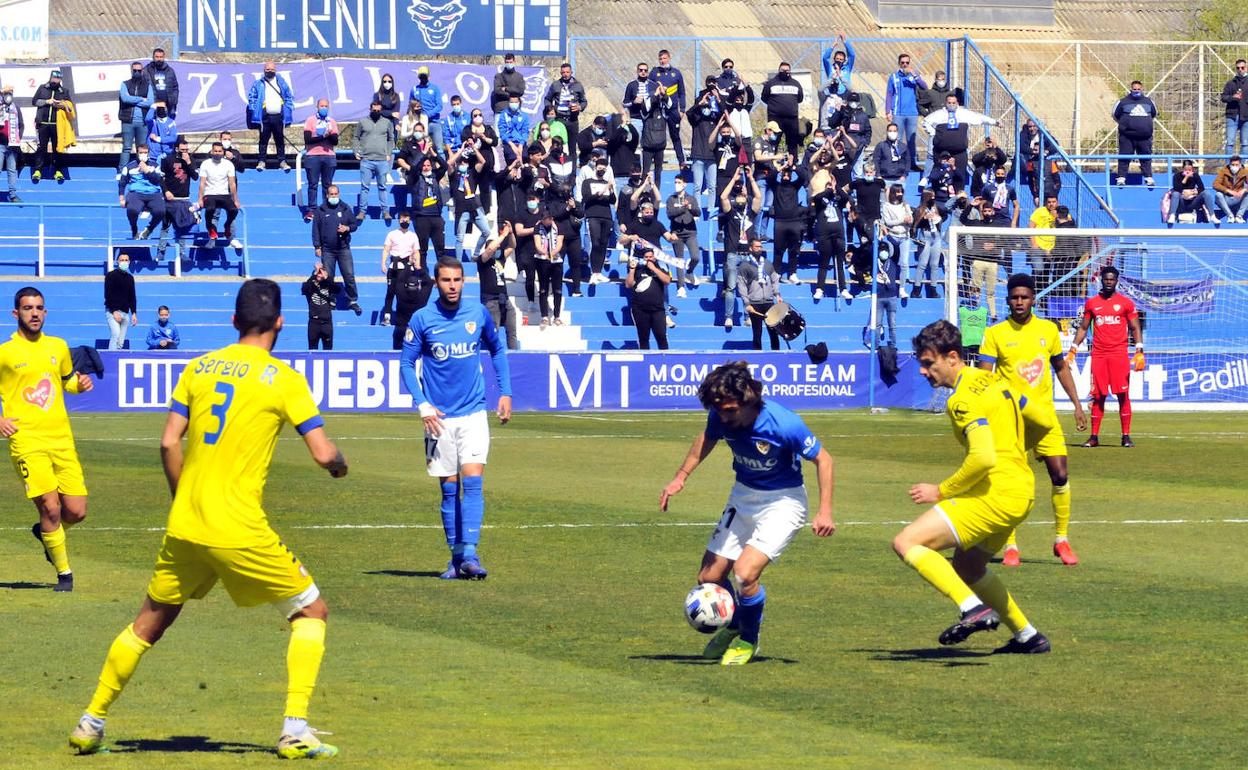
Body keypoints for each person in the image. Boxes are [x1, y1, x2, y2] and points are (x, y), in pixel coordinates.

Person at [68, 279, 349, 759]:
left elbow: (166, 442)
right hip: (237, 525)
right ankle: (295, 728)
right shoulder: (283, 379)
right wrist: (339, 463)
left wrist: (184, 498)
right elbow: (323, 454)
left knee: (148, 624)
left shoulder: (198, 368)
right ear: (281, 321)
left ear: (234, 320)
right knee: (310, 612)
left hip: (186, 524)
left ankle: (90, 721)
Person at [660, 361, 836, 665]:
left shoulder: (783, 423)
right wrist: (680, 477)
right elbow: (706, 439)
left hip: (784, 502)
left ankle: (747, 639)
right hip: (743, 496)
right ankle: (734, 623)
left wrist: (825, 511)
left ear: (749, 401)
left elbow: (825, 460)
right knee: (709, 577)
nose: (723, 417)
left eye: (730, 410)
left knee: (744, 573)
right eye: (719, 410)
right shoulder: (721, 415)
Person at [893, 319, 1050, 654]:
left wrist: (941, 490)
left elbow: (982, 458)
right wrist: (1019, 450)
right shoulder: (996, 380)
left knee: (907, 542)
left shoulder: (961, 400)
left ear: (952, 357)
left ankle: (972, 608)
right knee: (968, 566)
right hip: (1022, 491)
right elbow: (1043, 419)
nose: (923, 371)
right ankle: (1028, 636)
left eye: (928, 363)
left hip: (994, 494)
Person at [400, 257, 512, 580]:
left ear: (465, 281)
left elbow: (498, 349)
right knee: (449, 490)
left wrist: (504, 391)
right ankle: (456, 558)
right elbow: (407, 364)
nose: (452, 286)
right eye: (446, 280)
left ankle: (471, 555)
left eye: (457, 280)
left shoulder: (477, 314)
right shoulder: (422, 320)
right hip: (439, 419)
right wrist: (422, 405)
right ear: (436, 282)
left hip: (474, 412)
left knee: (474, 481)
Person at [980, 274, 1088, 567]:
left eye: (1024, 297)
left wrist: (1077, 405)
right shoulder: (995, 333)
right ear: (1007, 300)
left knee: (1060, 474)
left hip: (1044, 416)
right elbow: (984, 376)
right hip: (1010, 420)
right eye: (1014, 297)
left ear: (1033, 299)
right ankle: (1011, 545)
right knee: (1011, 482)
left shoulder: (1048, 330)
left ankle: (1061, 540)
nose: (1019, 302)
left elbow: (1061, 368)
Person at [0, 286, 94, 592]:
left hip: (61, 439)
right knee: (50, 507)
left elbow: (66, 383)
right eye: (28, 308)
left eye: (39, 307)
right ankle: (64, 574)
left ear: (46, 312)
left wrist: (80, 384)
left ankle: (47, 535)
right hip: (26, 440)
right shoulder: (5, 353)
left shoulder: (58, 346)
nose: (35, 313)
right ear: (16, 313)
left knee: (76, 511)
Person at [1068, 266, 1145, 449]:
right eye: (1106, 279)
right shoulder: (1092, 303)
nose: (1109, 282)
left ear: (1116, 281)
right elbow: (1084, 327)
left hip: (1119, 354)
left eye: (1112, 279)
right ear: (1101, 280)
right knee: (1098, 395)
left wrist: (1139, 349)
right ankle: (1094, 437)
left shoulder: (1125, 303)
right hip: (1099, 355)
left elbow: (1135, 327)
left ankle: (1125, 436)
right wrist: (1073, 348)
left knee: (1122, 394)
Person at [718, 167, 762, 329]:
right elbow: (723, 196)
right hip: (733, 254)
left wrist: (750, 179)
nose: (741, 198)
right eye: (739, 196)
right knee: (730, 288)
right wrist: (734, 178)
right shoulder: (731, 213)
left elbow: (758, 197)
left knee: (750, 288)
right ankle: (729, 317)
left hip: (748, 256)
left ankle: (747, 316)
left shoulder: (750, 213)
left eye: (743, 195)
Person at [921, 92, 999, 182]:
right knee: (939, 173)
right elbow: (925, 122)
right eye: (949, 103)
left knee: (959, 175)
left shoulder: (963, 113)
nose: (951, 105)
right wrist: (934, 133)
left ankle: (959, 192)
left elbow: (979, 118)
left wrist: (994, 122)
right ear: (946, 103)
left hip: (959, 151)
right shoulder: (938, 114)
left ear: (957, 103)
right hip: (941, 150)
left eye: (953, 103)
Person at [311, 184, 362, 316]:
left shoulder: (345, 208)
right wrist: (317, 246)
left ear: (338, 194)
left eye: (336, 194)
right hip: (327, 250)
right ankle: (330, 300)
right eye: (331, 194)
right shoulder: (321, 210)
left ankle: (352, 300)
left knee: (349, 275)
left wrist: (347, 228)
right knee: (329, 277)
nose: (334, 196)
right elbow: (315, 229)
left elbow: (354, 224)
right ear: (327, 195)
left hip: (343, 248)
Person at [475, 222, 518, 351]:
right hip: (490, 300)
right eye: (496, 246)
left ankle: (514, 354)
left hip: (504, 298)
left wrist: (510, 233)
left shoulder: (500, 259)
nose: (497, 248)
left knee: (512, 331)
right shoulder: (482, 261)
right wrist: (503, 234)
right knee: (492, 333)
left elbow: (512, 246)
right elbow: (490, 250)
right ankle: (489, 356)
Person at [354, 100, 395, 224]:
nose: (376, 112)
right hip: (366, 159)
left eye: (378, 110)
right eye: (374, 110)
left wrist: (388, 152)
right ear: (370, 109)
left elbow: (391, 139)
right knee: (365, 187)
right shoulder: (362, 122)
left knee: (382, 187)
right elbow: (356, 137)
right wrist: (356, 151)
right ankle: (362, 212)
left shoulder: (387, 122)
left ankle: (385, 211)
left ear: (381, 110)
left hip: (382, 160)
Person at [885, 54, 928, 171]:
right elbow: (889, 94)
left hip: (912, 113)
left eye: (907, 63)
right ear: (899, 63)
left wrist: (914, 75)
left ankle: (912, 163)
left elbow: (924, 87)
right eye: (902, 62)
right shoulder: (893, 77)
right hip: (898, 113)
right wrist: (888, 111)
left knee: (911, 140)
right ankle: (896, 163)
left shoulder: (913, 76)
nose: (905, 65)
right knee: (896, 139)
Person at [248, 62, 294, 171]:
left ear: (275, 70)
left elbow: (288, 97)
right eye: (267, 69)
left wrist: (287, 110)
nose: (270, 71)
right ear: (264, 70)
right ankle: (261, 161)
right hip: (265, 116)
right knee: (263, 140)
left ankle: (282, 161)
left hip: (278, 116)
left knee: (280, 139)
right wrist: (255, 109)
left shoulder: (281, 83)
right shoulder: (258, 83)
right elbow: (252, 97)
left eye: (272, 69)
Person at [737, 239, 781, 351]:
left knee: (774, 331)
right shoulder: (744, 265)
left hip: (769, 302)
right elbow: (741, 285)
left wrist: (777, 294)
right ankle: (758, 355)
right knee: (757, 333)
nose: (759, 248)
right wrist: (746, 303)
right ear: (750, 248)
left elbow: (775, 279)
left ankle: (776, 355)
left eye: (760, 246)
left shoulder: (767, 263)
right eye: (756, 246)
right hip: (754, 303)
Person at [197, 142, 242, 249]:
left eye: (219, 151)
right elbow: (202, 183)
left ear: (223, 152)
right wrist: (200, 198)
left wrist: (235, 199)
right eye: (215, 151)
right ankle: (212, 235)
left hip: (224, 194)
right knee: (210, 209)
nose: (217, 153)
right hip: (210, 194)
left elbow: (232, 183)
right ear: (212, 152)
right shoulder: (205, 164)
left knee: (233, 210)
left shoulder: (228, 164)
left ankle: (228, 229)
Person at [1112, 81, 1156, 187]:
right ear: (1131, 89)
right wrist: (1126, 125)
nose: (1136, 91)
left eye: (1138, 89)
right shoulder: (1122, 102)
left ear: (1142, 89)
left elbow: (1153, 114)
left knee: (1146, 157)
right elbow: (1115, 115)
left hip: (1144, 137)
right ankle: (1121, 178)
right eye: (1134, 89)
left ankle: (1148, 177)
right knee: (1124, 157)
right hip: (1127, 137)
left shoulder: (1149, 101)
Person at [625, 247, 671, 350]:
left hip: (658, 309)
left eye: (651, 257)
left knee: (661, 337)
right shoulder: (638, 269)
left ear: (654, 257)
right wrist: (632, 270)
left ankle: (665, 360)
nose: (649, 259)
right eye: (646, 257)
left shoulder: (661, 267)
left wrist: (654, 268)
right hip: (640, 309)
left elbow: (667, 281)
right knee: (643, 338)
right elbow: (628, 285)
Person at [118, 144, 165, 241]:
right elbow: (122, 183)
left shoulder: (155, 166)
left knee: (160, 212)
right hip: (136, 193)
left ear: (148, 153)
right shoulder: (129, 167)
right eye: (141, 153)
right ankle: (134, 230)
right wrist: (121, 198)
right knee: (132, 210)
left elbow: (157, 180)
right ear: (137, 153)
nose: (143, 154)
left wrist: (147, 171)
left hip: (153, 193)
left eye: (145, 152)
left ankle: (148, 230)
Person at [31, 68, 71, 182]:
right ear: (50, 78)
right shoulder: (42, 88)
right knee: (41, 147)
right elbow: (34, 101)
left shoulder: (64, 91)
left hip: (57, 124)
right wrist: (46, 102)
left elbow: (69, 106)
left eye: (58, 79)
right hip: (42, 123)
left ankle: (58, 170)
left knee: (57, 148)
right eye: (54, 78)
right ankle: (38, 170)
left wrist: (60, 104)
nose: (55, 80)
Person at [302, 98, 339, 218]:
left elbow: (335, 141)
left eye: (326, 106)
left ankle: (326, 209)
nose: (324, 108)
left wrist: (327, 135)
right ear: (317, 107)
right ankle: (312, 209)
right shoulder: (310, 121)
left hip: (329, 157)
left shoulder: (331, 122)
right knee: (313, 184)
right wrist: (324, 136)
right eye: (322, 106)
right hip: (312, 156)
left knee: (327, 184)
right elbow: (308, 139)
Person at [380, 213, 419, 326]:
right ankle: (387, 317)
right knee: (390, 292)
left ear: (410, 220)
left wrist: (417, 262)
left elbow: (416, 251)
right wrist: (383, 263)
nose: (405, 221)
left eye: (407, 219)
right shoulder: (392, 234)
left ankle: (404, 318)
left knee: (405, 293)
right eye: (403, 219)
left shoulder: (413, 236)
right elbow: (386, 249)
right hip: (393, 267)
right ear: (399, 220)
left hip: (407, 267)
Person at [545, 62, 588, 166]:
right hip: (559, 119)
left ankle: (572, 172)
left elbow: (584, 101)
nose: (565, 74)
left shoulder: (578, 85)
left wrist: (579, 107)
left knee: (572, 147)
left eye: (567, 72)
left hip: (572, 120)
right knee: (557, 145)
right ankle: (556, 166)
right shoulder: (555, 85)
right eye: (563, 72)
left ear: (571, 72)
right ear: (560, 73)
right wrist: (550, 110)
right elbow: (547, 99)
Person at [665, 176, 701, 295]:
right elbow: (670, 214)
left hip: (690, 232)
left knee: (695, 257)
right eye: (675, 182)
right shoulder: (671, 199)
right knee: (679, 260)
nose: (677, 184)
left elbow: (698, 212)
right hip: (676, 233)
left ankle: (689, 272)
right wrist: (682, 208)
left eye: (679, 182)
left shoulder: (691, 198)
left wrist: (690, 208)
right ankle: (680, 286)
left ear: (685, 184)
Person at [652, 50, 688, 168]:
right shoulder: (654, 73)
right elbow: (650, 90)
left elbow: (682, 92)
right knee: (658, 135)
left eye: (664, 58)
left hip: (672, 110)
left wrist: (682, 109)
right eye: (661, 59)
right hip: (658, 109)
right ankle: (657, 160)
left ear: (669, 58)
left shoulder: (676, 73)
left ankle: (681, 160)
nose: (662, 61)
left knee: (675, 136)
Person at [117, 62, 154, 172]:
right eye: (135, 70)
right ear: (131, 71)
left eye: (139, 70)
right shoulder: (125, 84)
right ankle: (122, 171)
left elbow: (150, 102)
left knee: (142, 149)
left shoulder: (148, 86)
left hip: (143, 122)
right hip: (128, 121)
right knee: (126, 148)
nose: (137, 72)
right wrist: (141, 99)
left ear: (142, 71)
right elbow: (124, 98)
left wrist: (132, 99)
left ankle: (141, 170)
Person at [761, 62, 804, 154]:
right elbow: (764, 98)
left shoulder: (796, 84)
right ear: (779, 70)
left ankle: (793, 163)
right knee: (773, 141)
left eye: (787, 70)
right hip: (775, 118)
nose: (785, 72)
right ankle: (771, 163)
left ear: (790, 71)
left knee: (792, 143)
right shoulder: (771, 83)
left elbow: (800, 99)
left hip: (791, 119)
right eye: (782, 70)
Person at [532, 209, 565, 327]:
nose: (548, 221)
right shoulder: (537, 227)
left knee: (557, 289)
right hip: (542, 260)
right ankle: (544, 316)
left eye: (549, 219)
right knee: (543, 289)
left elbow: (560, 243)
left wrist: (553, 253)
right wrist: (544, 252)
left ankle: (557, 316)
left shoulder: (559, 226)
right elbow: (537, 243)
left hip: (556, 260)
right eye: (545, 219)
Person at [1166, 159, 1219, 225]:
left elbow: (1202, 188)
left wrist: (1193, 193)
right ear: (1182, 169)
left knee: (1206, 193)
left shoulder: (1195, 175)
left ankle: (1212, 216)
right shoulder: (1177, 176)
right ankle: (1172, 216)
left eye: (1190, 170)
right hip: (1182, 203)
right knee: (1175, 194)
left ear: (1192, 169)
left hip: (1193, 202)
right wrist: (1186, 178)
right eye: (1186, 170)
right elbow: (1177, 188)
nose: (1188, 172)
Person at [104, 253, 138, 350]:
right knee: (116, 334)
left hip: (125, 313)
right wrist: (114, 311)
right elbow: (108, 295)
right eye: (122, 260)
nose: (124, 262)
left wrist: (134, 313)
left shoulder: (130, 278)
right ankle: (110, 358)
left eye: (126, 260)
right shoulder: (111, 276)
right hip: (112, 311)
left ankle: (117, 358)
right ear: (117, 261)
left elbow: (132, 296)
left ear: (129, 262)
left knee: (120, 341)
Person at [409, 66, 444, 156]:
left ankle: (442, 168)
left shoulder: (435, 88)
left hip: (434, 123)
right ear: (418, 77)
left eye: (425, 76)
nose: (423, 78)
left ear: (428, 76)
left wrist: (427, 115)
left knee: (439, 148)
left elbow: (439, 106)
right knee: (418, 147)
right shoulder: (414, 89)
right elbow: (410, 105)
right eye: (421, 76)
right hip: (419, 124)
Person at [302, 261, 335, 350]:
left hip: (327, 322)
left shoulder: (329, 286)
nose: (320, 275)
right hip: (314, 322)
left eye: (322, 273)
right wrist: (315, 273)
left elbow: (336, 288)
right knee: (312, 348)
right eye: (318, 273)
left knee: (328, 349)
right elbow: (305, 288)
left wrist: (327, 277)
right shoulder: (309, 286)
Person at [1, 85, 24, 202]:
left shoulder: (16, 108)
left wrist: (18, 138)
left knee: (11, 169)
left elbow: (21, 125)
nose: (8, 95)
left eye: (10, 93)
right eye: (6, 93)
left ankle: (13, 195)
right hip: (0, 143)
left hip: (12, 145)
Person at [1221, 59, 1248, 156]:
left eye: (1242, 67)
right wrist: (1233, 97)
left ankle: (1243, 167)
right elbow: (1223, 97)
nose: (1240, 69)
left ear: (1246, 68)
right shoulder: (1230, 83)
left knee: (1245, 144)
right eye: (1238, 68)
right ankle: (1228, 166)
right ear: (1236, 69)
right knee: (1230, 143)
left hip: (1246, 116)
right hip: (1232, 116)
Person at [142, 48, 179, 117]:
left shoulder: (170, 71)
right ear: (153, 57)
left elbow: (175, 87)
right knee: (153, 127)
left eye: (161, 57)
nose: (159, 59)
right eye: (157, 57)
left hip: (168, 106)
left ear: (164, 57)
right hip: (152, 106)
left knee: (166, 127)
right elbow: (141, 87)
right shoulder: (146, 71)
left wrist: (174, 100)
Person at [1212, 155, 1248, 223]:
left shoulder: (1245, 172)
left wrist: (1244, 190)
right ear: (1230, 164)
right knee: (1218, 194)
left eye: (1237, 165)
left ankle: (1239, 216)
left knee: (1247, 194)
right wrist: (1228, 190)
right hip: (1226, 199)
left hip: (1238, 199)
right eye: (1233, 164)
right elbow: (1215, 184)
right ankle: (1230, 216)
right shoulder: (1223, 171)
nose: (1234, 166)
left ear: (1240, 165)